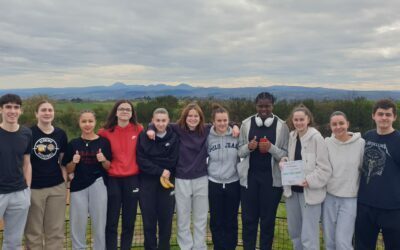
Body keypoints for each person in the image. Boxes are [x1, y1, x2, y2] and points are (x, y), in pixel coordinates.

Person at [147, 102, 239, 250]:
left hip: (201, 178)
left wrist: (235, 125)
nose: (193, 118)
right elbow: (159, 124)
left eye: (196, 116)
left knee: (200, 218)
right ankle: (186, 247)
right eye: (190, 115)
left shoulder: (207, 129)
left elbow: (222, 121)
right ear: (185, 117)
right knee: (183, 218)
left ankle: (199, 247)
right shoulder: (177, 129)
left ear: (200, 117)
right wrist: (150, 128)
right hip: (182, 178)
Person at [237, 92, 289, 250]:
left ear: (273, 106)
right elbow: (239, 151)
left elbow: (286, 154)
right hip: (250, 180)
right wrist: (249, 147)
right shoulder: (246, 124)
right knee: (248, 221)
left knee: (267, 222)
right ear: (256, 106)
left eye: (267, 106)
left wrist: (271, 148)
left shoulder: (282, 126)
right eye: (261, 106)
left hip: (272, 181)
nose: (264, 109)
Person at [280, 104, 331, 250]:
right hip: (292, 192)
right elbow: (292, 159)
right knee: (295, 233)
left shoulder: (317, 138)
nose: (298, 122)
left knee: (309, 236)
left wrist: (308, 181)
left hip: (310, 193)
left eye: (301, 119)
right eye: (296, 120)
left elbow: (324, 169)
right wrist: (284, 161)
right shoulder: (292, 136)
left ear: (308, 119)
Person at [62, 110, 111, 250]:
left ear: (95, 123)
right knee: (77, 223)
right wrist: (73, 161)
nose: (87, 124)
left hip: (99, 184)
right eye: (84, 121)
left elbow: (109, 166)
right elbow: (69, 169)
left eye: (90, 121)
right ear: (79, 123)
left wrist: (103, 160)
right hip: (78, 186)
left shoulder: (104, 142)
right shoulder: (73, 144)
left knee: (100, 223)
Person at [355, 99, 400, 250]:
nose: (384, 118)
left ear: (395, 117)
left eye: (388, 114)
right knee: (362, 246)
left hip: (392, 207)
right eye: (380, 114)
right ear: (373, 116)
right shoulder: (367, 136)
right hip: (365, 204)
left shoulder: (398, 141)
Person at [98, 100, 143, 250]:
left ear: (132, 114)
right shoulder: (104, 132)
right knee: (111, 221)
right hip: (112, 180)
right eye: (121, 109)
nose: (124, 111)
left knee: (129, 222)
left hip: (132, 180)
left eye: (128, 109)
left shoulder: (139, 129)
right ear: (116, 112)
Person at [25, 100, 68, 250]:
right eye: (43, 110)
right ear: (36, 114)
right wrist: (27, 187)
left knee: (55, 230)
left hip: (56, 187)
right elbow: (24, 163)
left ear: (53, 113)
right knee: (33, 230)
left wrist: (64, 183)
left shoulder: (60, 134)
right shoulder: (28, 133)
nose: (47, 113)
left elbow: (63, 161)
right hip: (33, 188)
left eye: (50, 110)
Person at [137, 108, 179, 250]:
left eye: (163, 120)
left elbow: (172, 161)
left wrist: (155, 163)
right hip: (147, 185)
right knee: (148, 222)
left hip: (167, 185)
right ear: (152, 121)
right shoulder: (143, 136)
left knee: (166, 222)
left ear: (168, 121)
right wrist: (160, 170)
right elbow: (141, 160)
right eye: (157, 120)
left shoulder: (174, 137)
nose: (160, 124)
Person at [322, 111, 365, 250]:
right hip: (329, 197)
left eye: (341, 123)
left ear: (348, 124)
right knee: (329, 241)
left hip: (350, 199)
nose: (338, 126)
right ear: (330, 126)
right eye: (334, 124)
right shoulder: (326, 143)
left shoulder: (360, 143)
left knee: (343, 242)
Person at [0, 93, 32, 250]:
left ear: (21, 111)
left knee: (13, 242)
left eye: (16, 107)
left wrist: (27, 190)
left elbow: (27, 162)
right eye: (8, 107)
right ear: (1, 110)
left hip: (20, 193)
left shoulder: (26, 133)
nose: (12, 111)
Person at [207, 104, 240, 250]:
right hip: (214, 183)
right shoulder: (207, 136)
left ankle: (230, 247)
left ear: (229, 120)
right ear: (213, 121)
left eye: (225, 120)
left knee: (231, 220)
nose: (222, 123)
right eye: (219, 120)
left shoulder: (236, 135)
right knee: (216, 220)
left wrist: (235, 126)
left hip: (233, 183)